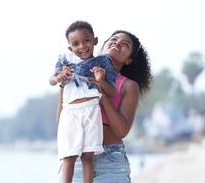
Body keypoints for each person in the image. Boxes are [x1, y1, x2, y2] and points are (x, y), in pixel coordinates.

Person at [57, 30, 152, 182]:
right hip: (78, 159)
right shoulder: (75, 74)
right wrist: (63, 84)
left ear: (128, 60)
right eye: (113, 39)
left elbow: (121, 130)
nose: (117, 43)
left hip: (111, 160)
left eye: (125, 44)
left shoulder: (128, 86)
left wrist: (102, 91)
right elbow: (62, 122)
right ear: (102, 45)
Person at [50, 21, 117, 183]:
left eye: (86, 40)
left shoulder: (103, 62)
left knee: (88, 154)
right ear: (70, 48)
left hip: (92, 110)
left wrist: (101, 80)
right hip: (71, 111)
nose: (82, 46)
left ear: (95, 40)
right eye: (75, 44)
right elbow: (52, 80)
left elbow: (111, 91)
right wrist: (59, 77)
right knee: (69, 154)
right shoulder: (65, 59)